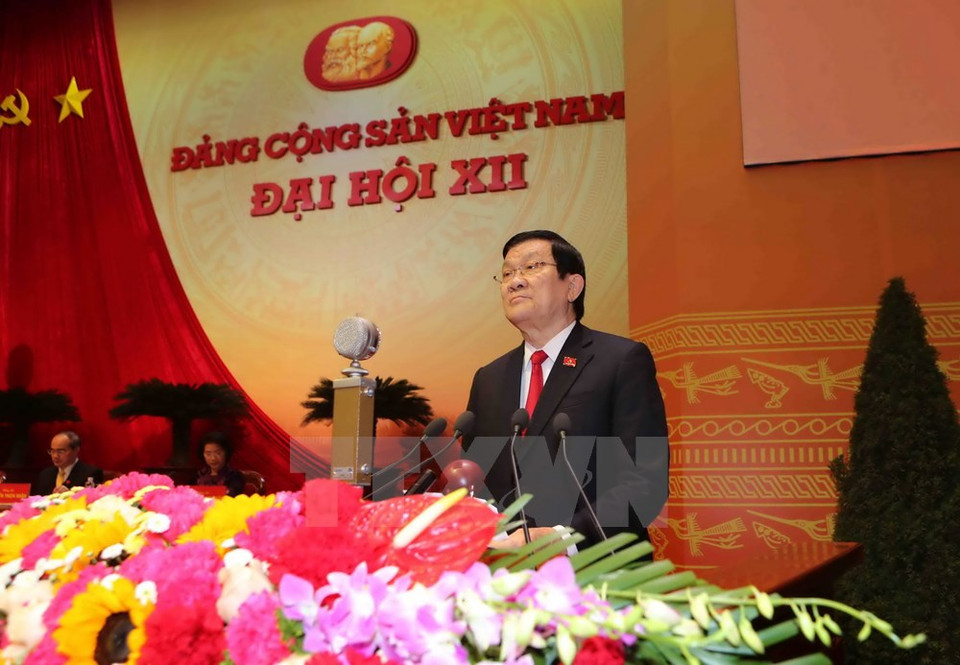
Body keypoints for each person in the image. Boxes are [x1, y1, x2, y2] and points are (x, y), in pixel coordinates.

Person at [463, 230, 669, 547]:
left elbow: (645, 480)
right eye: (506, 273)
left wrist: (563, 539)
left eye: (531, 267)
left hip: (596, 571)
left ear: (572, 286)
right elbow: (476, 480)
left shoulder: (620, 361)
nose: (514, 281)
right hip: (503, 575)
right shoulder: (488, 378)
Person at [31, 431, 103, 495]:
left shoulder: (90, 473)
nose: (55, 456)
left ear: (76, 450)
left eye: (61, 451)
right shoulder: (45, 474)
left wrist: (70, 495)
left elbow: (92, 500)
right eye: (52, 451)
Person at [194, 431, 245, 497]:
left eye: (218, 453)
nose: (213, 458)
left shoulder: (235, 476)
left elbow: (232, 495)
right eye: (208, 454)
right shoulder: (199, 475)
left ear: (226, 453)